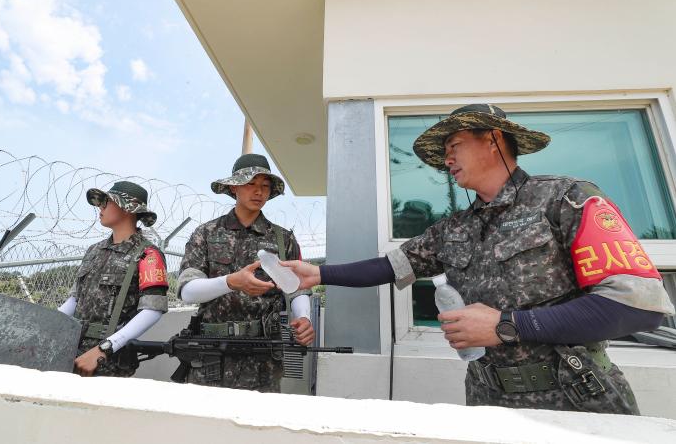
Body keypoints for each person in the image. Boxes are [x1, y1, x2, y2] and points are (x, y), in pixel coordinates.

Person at [283, 104, 675, 414]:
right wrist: (316, 274)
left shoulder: (564, 199)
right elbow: (389, 266)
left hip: (577, 400)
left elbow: (638, 307)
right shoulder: (453, 228)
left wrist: (507, 325)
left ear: (491, 139)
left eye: (453, 147)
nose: (447, 160)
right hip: (488, 400)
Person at [177, 153, 315, 392]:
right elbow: (188, 291)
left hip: (263, 354)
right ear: (234, 188)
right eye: (250, 183)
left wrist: (304, 317)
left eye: (265, 185)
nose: (259, 191)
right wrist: (231, 282)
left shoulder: (283, 240)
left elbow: (298, 288)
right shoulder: (206, 234)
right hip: (212, 353)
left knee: (257, 425)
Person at [58, 181, 168, 377]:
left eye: (106, 202)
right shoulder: (94, 251)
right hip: (71, 349)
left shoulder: (148, 254)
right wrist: (47, 325)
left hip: (110, 361)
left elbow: (152, 309)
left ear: (128, 208)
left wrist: (103, 350)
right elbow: (74, 300)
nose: (100, 207)